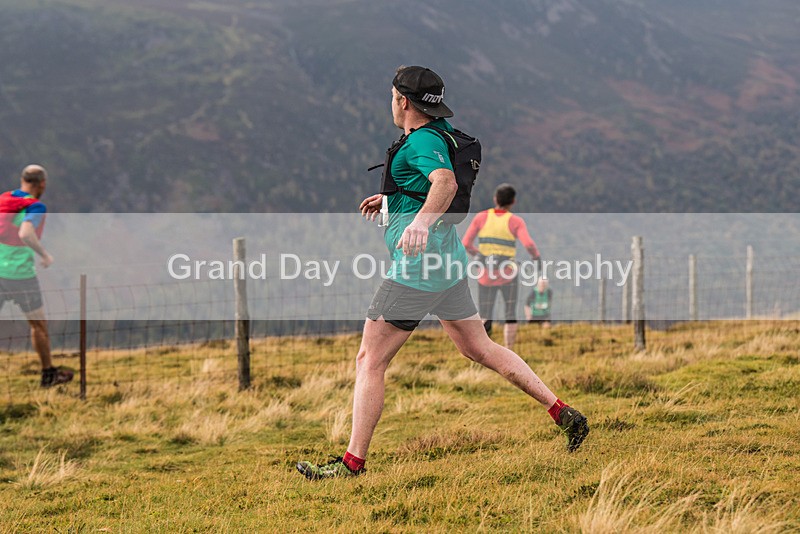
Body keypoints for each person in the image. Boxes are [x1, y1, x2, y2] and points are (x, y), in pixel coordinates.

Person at [296, 66, 588, 480]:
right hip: (448, 266)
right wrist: (391, 199)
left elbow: (445, 184)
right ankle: (563, 413)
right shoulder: (442, 133)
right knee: (479, 347)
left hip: (417, 270)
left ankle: (351, 464)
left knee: (370, 360)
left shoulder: (422, 140)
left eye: (392, 96)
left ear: (403, 101)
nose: (391, 103)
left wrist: (419, 224)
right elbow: (425, 185)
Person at [0, 165, 72, 388]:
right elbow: (25, 233)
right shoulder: (35, 206)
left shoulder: (4, 199)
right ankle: (48, 374)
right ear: (42, 184)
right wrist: (45, 254)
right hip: (21, 275)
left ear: (22, 180)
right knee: (38, 325)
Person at [461, 184, 540, 350]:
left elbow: (466, 243)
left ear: (495, 199)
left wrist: (481, 256)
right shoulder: (515, 221)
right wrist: (536, 257)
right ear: (513, 201)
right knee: (510, 313)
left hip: (485, 275)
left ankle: (482, 351)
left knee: (485, 313)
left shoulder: (481, 218)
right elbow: (529, 244)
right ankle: (509, 350)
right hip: (508, 274)